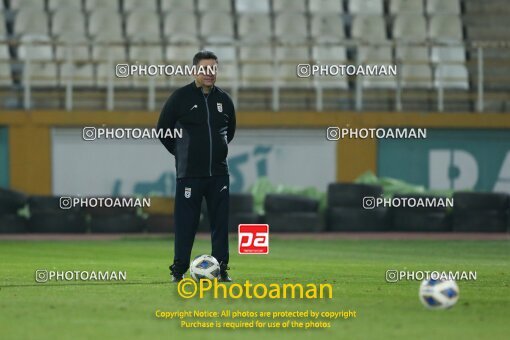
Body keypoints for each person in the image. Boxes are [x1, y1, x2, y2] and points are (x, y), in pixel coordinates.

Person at [157, 51, 236, 282]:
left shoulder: (225, 101)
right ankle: (178, 270)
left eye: (213, 69)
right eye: (205, 69)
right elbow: (163, 130)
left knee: (220, 224)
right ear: (195, 71)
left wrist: (217, 152)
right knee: (185, 224)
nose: (209, 74)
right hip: (189, 175)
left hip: (219, 174)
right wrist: (182, 153)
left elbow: (228, 133)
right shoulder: (180, 98)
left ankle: (221, 268)